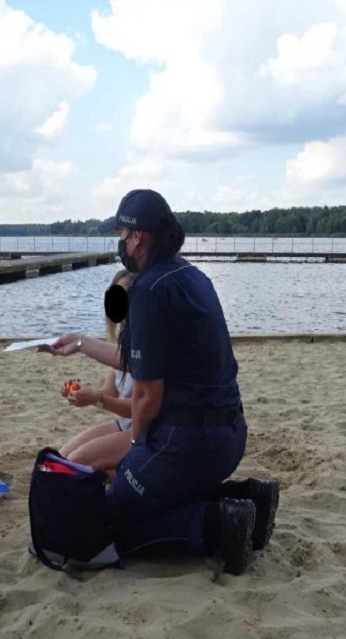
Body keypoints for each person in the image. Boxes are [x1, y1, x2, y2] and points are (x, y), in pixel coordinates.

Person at [40, 189, 279, 576]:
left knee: (106, 520)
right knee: (145, 490)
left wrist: (135, 447)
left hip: (186, 441)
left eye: (120, 233)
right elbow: (142, 362)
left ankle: (218, 526)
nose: (118, 242)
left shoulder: (150, 290)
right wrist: (80, 343)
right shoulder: (189, 275)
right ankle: (247, 497)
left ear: (138, 237)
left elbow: (149, 395)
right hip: (229, 434)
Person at [56, 269, 137, 472]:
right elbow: (110, 393)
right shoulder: (122, 339)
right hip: (125, 424)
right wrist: (81, 392)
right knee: (62, 458)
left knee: (76, 462)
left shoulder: (150, 342)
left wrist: (97, 399)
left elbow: (143, 407)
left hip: (147, 430)